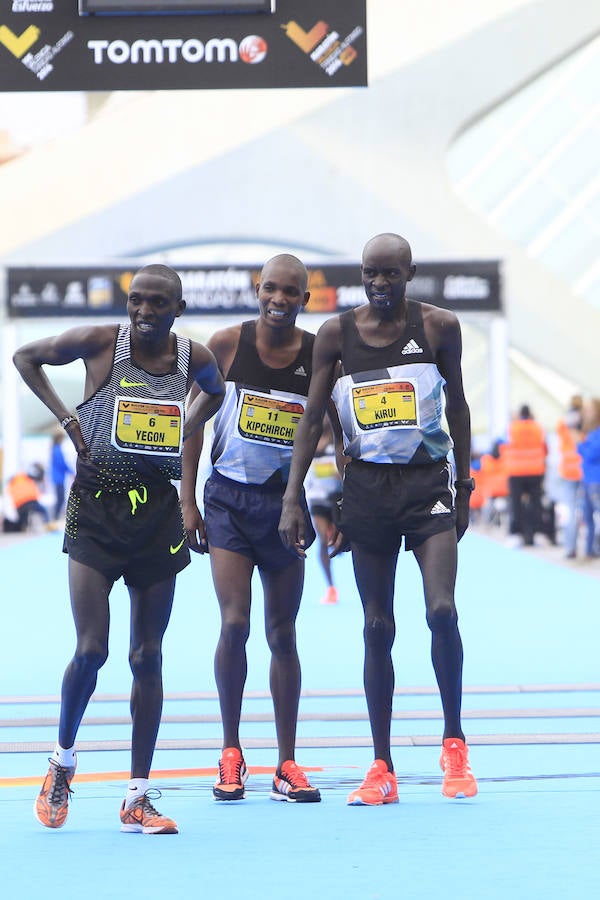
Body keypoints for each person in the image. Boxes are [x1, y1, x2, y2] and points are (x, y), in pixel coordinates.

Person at [13, 264, 225, 833]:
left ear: (178, 310)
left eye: (158, 304)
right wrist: (67, 419)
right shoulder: (100, 343)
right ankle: (62, 762)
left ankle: (138, 795)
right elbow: (25, 358)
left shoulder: (192, 358)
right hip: (94, 511)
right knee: (92, 649)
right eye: (137, 302)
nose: (145, 313)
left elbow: (217, 391)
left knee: (146, 656)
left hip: (155, 515)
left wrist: (185, 430)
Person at [279, 232, 478, 805]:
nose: (380, 283)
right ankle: (382, 764)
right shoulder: (335, 335)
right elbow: (312, 414)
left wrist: (464, 486)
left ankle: (453, 741)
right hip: (367, 493)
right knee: (376, 626)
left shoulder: (439, 327)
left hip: (428, 486)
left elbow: (459, 405)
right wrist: (295, 496)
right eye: (371, 273)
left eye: (391, 273)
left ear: (410, 273)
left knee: (441, 610)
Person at [180, 253, 321, 804]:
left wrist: (322, 503)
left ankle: (286, 762)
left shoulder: (316, 353)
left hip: (286, 506)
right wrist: (187, 500)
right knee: (235, 621)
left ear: (305, 300)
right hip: (228, 504)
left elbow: (330, 428)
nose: (279, 300)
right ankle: (232, 752)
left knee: (282, 633)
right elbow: (192, 422)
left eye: (291, 292)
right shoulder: (227, 343)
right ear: (257, 289)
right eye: (271, 289)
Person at [304, 415, 344, 605]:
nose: (325, 419)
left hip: (338, 498)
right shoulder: (309, 440)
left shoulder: (339, 439)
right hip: (317, 498)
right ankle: (330, 587)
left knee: (342, 541)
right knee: (323, 540)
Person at [504, 405, 548, 547]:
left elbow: (503, 447)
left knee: (516, 504)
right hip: (535, 470)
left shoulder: (512, 428)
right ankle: (535, 534)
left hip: (516, 471)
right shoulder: (538, 428)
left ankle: (516, 534)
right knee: (536, 503)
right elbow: (545, 448)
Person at [556, 397, 583, 559]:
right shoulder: (587, 422)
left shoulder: (563, 423)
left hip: (568, 470)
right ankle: (590, 547)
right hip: (585, 469)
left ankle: (570, 547)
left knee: (571, 511)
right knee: (588, 511)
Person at [576, 397, 600, 560]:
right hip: (587, 479)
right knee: (587, 516)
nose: (586, 413)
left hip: (595, 480)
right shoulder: (589, 432)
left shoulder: (597, 433)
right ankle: (590, 549)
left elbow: (592, 454)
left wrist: (580, 445)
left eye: (590, 409)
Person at [6, 465, 50, 532]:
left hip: (19, 504)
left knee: (23, 518)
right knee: (44, 511)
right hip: (31, 500)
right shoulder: (26, 476)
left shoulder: (13, 482)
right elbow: (37, 477)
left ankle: (24, 525)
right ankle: (48, 524)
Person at [49, 429, 74, 521]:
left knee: (60, 498)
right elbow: (62, 464)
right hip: (58, 478)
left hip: (58, 478)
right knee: (60, 499)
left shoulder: (54, 449)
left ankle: (54, 517)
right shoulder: (57, 450)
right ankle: (54, 518)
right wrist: (71, 472)